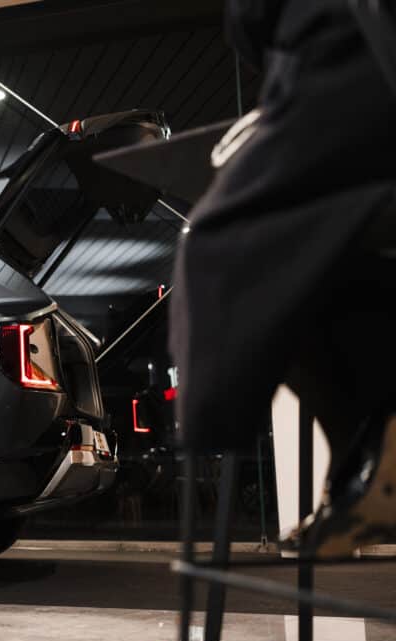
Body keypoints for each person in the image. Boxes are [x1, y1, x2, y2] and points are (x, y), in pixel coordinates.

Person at [169, 0, 396, 556]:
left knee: (223, 250)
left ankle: (368, 462)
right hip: (341, 55)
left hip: (338, 49)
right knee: (320, 268)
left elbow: (251, 17)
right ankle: (368, 463)